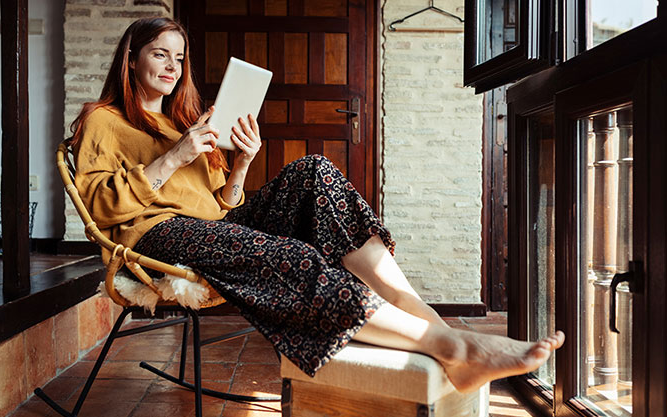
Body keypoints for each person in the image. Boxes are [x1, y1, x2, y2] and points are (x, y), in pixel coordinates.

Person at [71, 17, 564, 393]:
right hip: (154, 234)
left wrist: (242, 162)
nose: (172, 67)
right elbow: (99, 209)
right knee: (294, 257)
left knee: (315, 172)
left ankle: (426, 318)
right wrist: (175, 157)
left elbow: (223, 205)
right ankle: (451, 344)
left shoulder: (186, 121)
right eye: (160, 54)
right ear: (131, 57)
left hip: (210, 228)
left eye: (179, 58)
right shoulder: (102, 120)